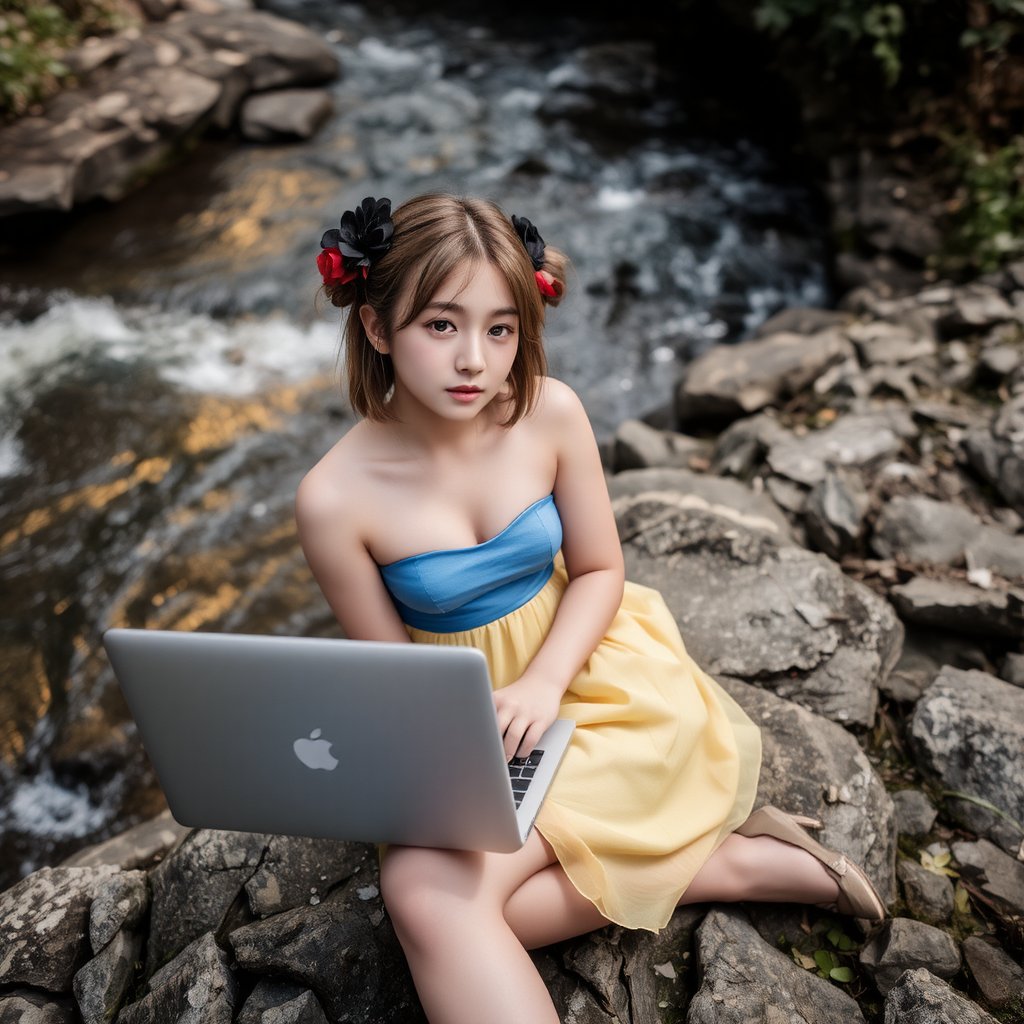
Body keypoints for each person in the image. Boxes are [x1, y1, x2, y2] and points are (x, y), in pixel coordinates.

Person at [295, 193, 887, 1024]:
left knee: (429, 901)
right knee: (431, 896)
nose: (474, 360)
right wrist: (450, 753)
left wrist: (542, 685)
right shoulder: (333, 498)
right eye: (441, 326)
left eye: (500, 329)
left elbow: (602, 569)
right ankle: (723, 867)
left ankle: (724, 860)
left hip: (591, 677)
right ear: (377, 327)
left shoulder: (551, 413)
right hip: (469, 719)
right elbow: (397, 672)